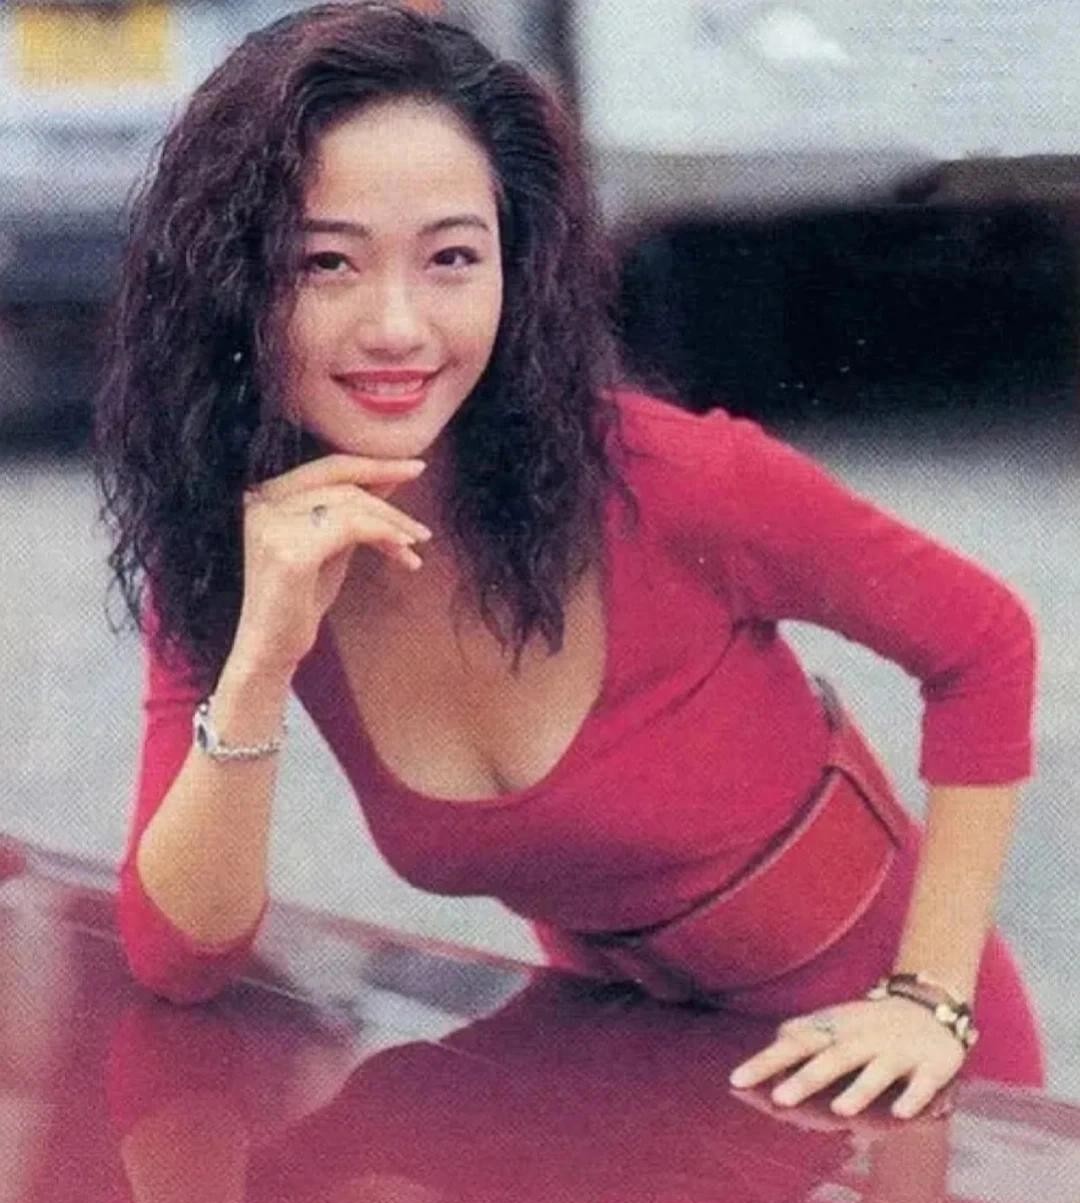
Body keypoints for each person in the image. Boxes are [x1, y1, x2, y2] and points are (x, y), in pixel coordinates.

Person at [93, 0, 1044, 1122]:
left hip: (894, 1059)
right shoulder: (235, 553)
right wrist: (259, 661)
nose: (398, 325)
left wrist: (930, 997)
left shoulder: (664, 478)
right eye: (327, 263)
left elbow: (983, 642)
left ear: (518, 265)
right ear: (232, 282)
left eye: (452, 258)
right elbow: (178, 960)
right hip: (646, 1076)